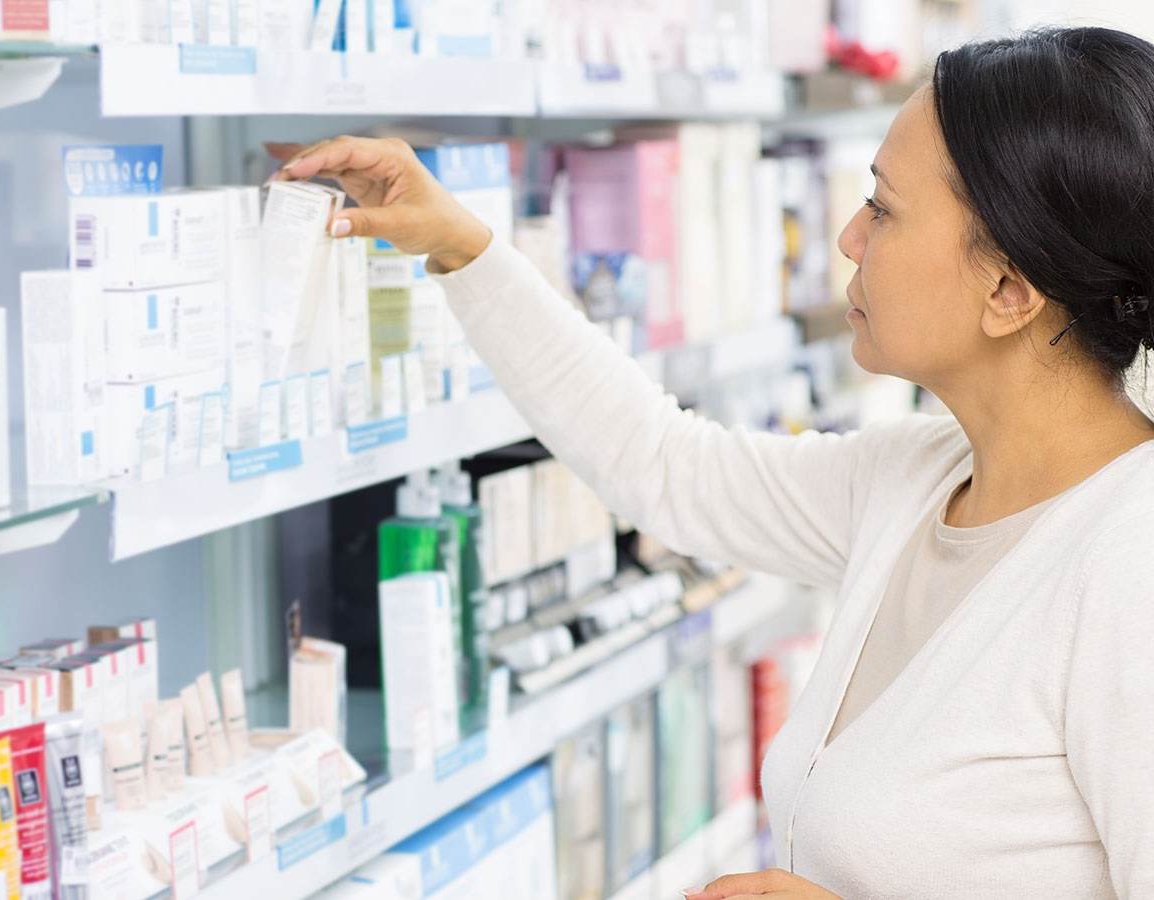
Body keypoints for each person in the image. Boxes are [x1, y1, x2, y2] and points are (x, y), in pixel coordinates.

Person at [268, 25, 1154, 899]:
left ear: (1007, 289)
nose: (847, 237)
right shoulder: (920, 482)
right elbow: (664, 464)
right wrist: (461, 244)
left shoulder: (1127, 567)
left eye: (883, 207)